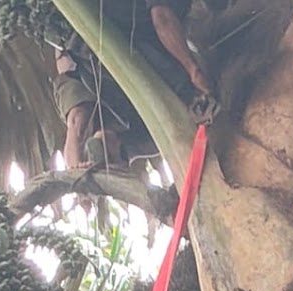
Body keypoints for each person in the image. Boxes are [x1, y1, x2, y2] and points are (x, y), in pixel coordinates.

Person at [53, 0, 215, 169]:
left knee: (154, 134)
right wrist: (193, 70)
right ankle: (105, 147)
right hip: (122, 52)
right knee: (184, 106)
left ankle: (107, 143)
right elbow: (163, 19)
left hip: (91, 64)